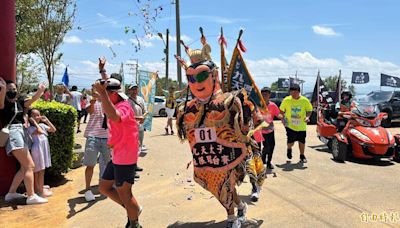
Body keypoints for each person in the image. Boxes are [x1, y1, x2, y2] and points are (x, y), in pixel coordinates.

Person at [175, 53, 265, 228]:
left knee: (226, 184)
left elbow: (248, 125)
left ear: (213, 75)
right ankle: (240, 206)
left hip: (228, 155)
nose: (196, 83)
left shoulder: (230, 101)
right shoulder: (188, 107)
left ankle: (231, 218)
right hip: (206, 157)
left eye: (201, 76)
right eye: (190, 78)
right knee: (221, 188)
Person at [94, 78, 142, 228]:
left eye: (106, 94)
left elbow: (114, 116)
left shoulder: (124, 107)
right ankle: (133, 210)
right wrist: (102, 73)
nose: (103, 97)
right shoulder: (115, 102)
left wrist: (102, 94)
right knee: (104, 187)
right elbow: (107, 83)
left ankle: (135, 223)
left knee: (125, 193)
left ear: (114, 94)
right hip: (117, 155)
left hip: (126, 156)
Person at [0, 77, 48, 204]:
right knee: (30, 166)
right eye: (9, 89)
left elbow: (31, 100)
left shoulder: (19, 101)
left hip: (22, 132)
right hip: (13, 133)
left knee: (24, 167)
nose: (12, 91)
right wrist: (3, 89)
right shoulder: (3, 102)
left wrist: (40, 91)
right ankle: (31, 196)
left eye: (14, 89)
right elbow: (1, 105)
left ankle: (11, 193)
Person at [82, 85, 111, 202]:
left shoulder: (108, 102)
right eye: (95, 89)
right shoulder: (92, 101)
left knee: (109, 164)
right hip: (93, 136)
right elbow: (89, 111)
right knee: (90, 164)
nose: (96, 91)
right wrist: (93, 102)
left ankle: (105, 186)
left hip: (107, 137)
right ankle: (88, 189)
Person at [280, 84, 313, 163]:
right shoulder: (286, 100)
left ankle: (302, 155)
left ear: (299, 92)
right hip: (290, 125)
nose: (293, 94)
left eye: (295, 92)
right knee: (290, 142)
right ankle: (289, 148)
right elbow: (281, 111)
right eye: (291, 92)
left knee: (302, 141)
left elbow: (309, 110)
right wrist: (283, 118)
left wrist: (307, 117)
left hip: (301, 125)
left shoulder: (305, 100)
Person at [27, 109, 57, 198]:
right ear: (30, 118)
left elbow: (53, 129)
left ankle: (40, 188)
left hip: (43, 149)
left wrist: (47, 120)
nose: (37, 117)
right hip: (37, 150)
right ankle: (39, 191)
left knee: (42, 170)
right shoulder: (30, 128)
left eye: (38, 115)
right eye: (34, 116)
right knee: (37, 171)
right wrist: (35, 123)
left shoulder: (42, 125)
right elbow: (39, 131)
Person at [259, 87, 282, 169]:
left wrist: (282, 117)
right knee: (263, 147)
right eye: (263, 94)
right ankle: (262, 160)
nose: (265, 96)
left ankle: (269, 162)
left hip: (270, 129)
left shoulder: (273, 105)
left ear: (269, 95)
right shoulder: (257, 105)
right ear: (260, 95)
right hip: (260, 130)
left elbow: (278, 114)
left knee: (271, 146)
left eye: (267, 94)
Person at [127, 84, 148, 154]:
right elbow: (127, 115)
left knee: (139, 145)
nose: (134, 91)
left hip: (140, 126)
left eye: (135, 89)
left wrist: (143, 118)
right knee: (131, 146)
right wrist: (139, 118)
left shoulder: (140, 99)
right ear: (129, 91)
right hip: (131, 127)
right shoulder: (127, 101)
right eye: (132, 89)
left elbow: (146, 111)